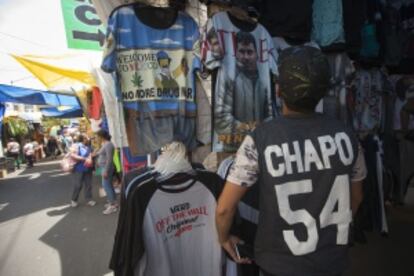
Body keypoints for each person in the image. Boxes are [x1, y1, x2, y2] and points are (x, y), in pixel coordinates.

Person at [215, 46, 367, 276]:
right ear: (323, 90)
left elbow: (225, 209)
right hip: (332, 261)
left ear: (279, 91)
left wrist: (223, 238)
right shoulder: (348, 136)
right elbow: (356, 198)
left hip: (279, 265)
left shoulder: (260, 139)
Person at [215, 31, 271, 148]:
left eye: (249, 52)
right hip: (233, 150)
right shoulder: (228, 79)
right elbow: (221, 119)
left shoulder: (264, 83)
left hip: (260, 148)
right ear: (236, 54)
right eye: (241, 51)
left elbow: (271, 116)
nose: (245, 57)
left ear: (257, 55)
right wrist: (251, 131)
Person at [94, 130, 117, 215]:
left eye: (97, 136)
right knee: (108, 185)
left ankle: (112, 205)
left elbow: (109, 159)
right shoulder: (105, 144)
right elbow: (101, 154)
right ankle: (113, 202)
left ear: (101, 136)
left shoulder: (108, 145)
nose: (96, 138)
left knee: (106, 186)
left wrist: (106, 170)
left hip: (106, 168)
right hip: (104, 167)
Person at [70, 134, 96, 208]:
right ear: (83, 138)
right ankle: (74, 200)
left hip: (88, 168)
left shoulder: (89, 146)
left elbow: (92, 155)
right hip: (79, 168)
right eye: (86, 137)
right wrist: (84, 159)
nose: (88, 138)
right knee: (78, 185)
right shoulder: (76, 145)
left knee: (88, 185)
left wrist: (93, 155)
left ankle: (89, 199)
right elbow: (73, 155)